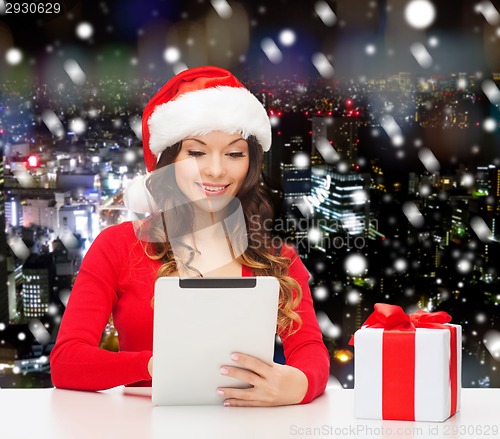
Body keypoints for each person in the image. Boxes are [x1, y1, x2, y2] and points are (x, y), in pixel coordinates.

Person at [50, 66, 330, 406]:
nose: (216, 170)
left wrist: (299, 383)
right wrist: (156, 366)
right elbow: (67, 363)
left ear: (251, 163)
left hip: (244, 424)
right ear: (170, 160)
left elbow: (310, 350)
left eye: (234, 153)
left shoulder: (278, 258)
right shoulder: (118, 246)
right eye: (196, 152)